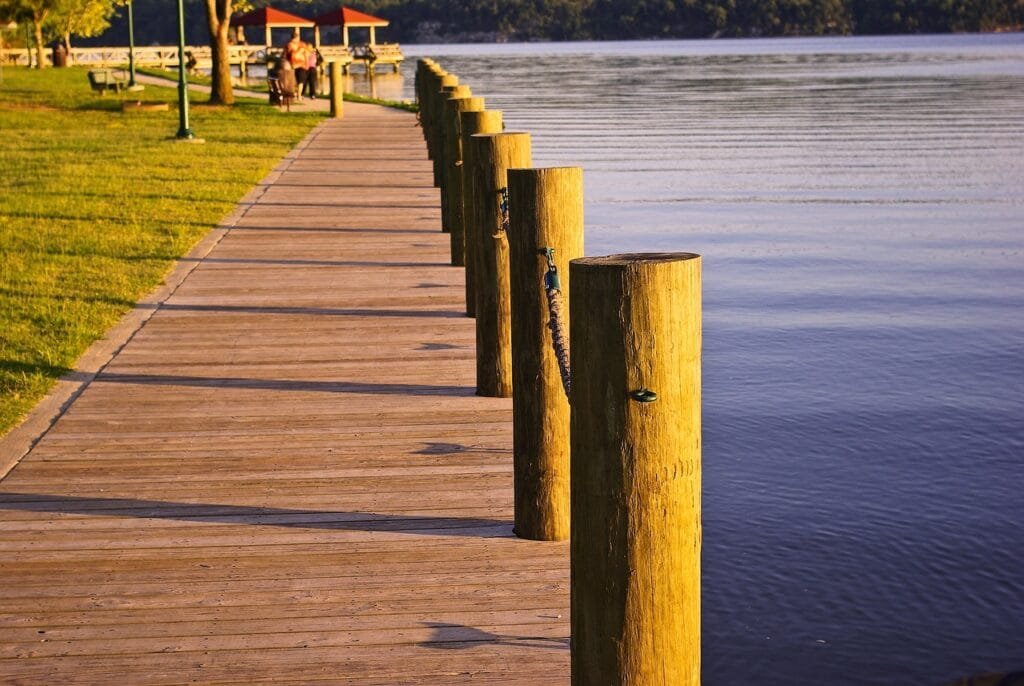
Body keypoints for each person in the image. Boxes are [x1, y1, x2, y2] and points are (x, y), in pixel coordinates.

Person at [285, 30, 307, 101]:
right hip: (300, 64)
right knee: (300, 81)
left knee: (296, 81)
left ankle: (297, 94)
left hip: (293, 65)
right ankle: (299, 95)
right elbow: (306, 54)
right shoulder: (302, 44)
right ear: (297, 37)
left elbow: (286, 55)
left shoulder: (289, 45)